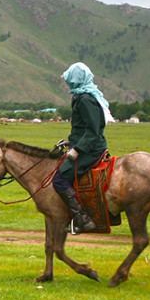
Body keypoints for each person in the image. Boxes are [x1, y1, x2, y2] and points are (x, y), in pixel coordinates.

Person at [53, 62, 114, 234]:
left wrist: (77, 149)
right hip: (86, 145)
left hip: (91, 149)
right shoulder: (82, 96)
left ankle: (83, 220)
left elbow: (93, 130)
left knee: (59, 180)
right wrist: (70, 142)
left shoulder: (85, 99)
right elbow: (82, 128)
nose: (68, 83)